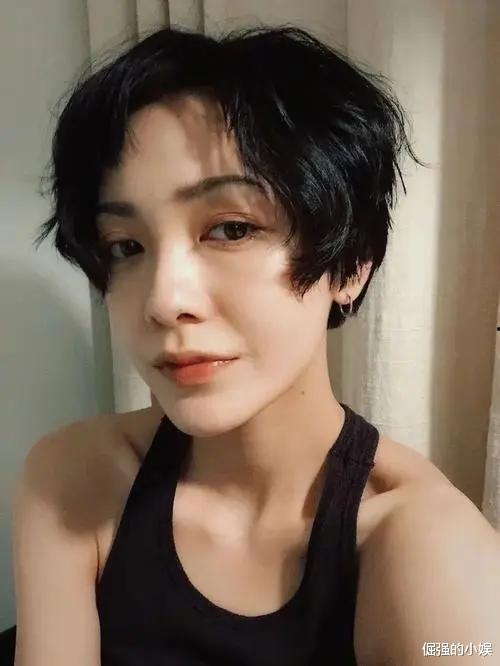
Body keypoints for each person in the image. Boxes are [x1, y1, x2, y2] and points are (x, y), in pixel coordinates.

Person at [11, 24, 500, 666]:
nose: (163, 300)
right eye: (126, 247)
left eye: (231, 229)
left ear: (350, 264)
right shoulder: (78, 480)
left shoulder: (425, 544)